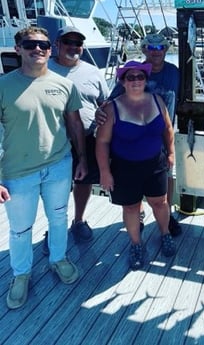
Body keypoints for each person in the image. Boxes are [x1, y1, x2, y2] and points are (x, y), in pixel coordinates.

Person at [0, 27, 87, 309]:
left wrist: (82, 159)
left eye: (43, 45)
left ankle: (58, 259)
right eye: (30, 44)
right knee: (20, 230)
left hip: (59, 166)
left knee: (59, 218)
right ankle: (21, 275)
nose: (37, 49)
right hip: (16, 172)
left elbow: (74, 124)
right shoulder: (3, 85)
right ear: (18, 48)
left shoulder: (64, 85)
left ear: (51, 49)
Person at [97, 33, 181, 236]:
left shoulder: (175, 72)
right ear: (144, 50)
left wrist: (171, 150)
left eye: (160, 48)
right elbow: (112, 101)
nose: (155, 52)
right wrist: (101, 111)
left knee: (166, 179)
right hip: (133, 137)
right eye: (150, 48)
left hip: (162, 132)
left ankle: (166, 217)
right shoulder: (134, 72)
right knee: (134, 189)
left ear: (166, 50)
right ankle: (139, 214)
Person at [95, 60, 176, 269]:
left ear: (145, 79)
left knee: (160, 202)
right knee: (130, 207)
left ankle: (165, 233)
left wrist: (171, 153)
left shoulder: (158, 100)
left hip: (155, 163)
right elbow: (102, 142)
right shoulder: (111, 108)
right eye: (130, 77)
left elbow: (168, 129)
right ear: (122, 81)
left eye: (140, 76)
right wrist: (105, 172)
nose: (136, 80)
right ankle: (136, 244)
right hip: (125, 167)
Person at [44, 26, 110, 251]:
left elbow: (104, 102)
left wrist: (103, 112)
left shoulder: (93, 72)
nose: (73, 47)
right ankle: (55, 228)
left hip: (88, 137)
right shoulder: (44, 69)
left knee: (84, 182)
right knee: (55, 187)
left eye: (77, 43)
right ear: (57, 45)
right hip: (54, 141)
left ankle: (78, 220)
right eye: (67, 42)